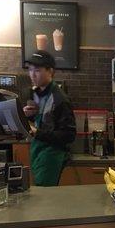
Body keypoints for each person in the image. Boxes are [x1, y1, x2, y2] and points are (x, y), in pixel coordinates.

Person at [23, 50, 76, 186]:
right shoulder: (38, 93)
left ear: (50, 71)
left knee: (45, 198)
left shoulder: (60, 99)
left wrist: (37, 132)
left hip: (51, 155)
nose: (32, 75)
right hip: (38, 151)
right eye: (30, 70)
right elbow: (48, 121)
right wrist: (30, 115)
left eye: (37, 70)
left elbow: (69, 135)